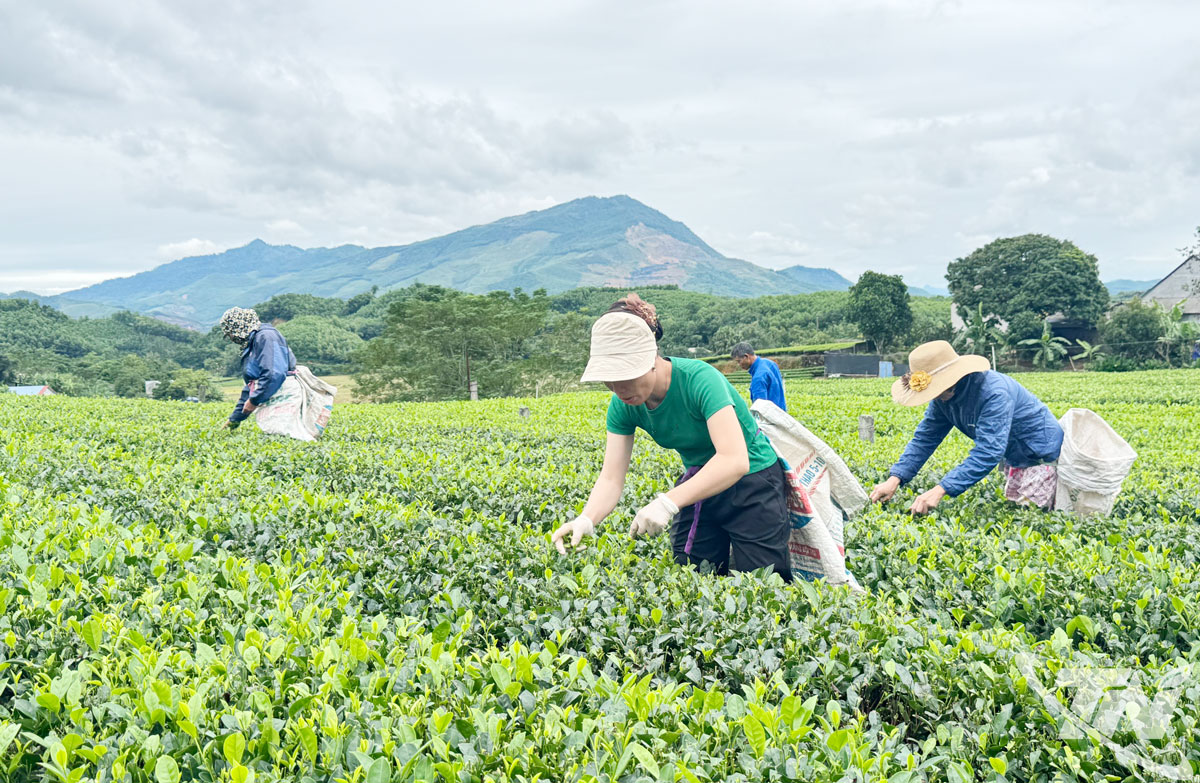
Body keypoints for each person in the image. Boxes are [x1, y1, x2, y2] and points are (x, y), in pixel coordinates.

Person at [551, 294, 792, 581]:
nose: (618, 389)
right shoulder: (623, 404)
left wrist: (667, 502)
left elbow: (734, 460)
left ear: (651, 359)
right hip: (701, 484)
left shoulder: (700, 379)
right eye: (609, 380)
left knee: (763, 583)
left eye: (625, 376)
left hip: (754, 483)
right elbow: (611, 478)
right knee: (692, 575)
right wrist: (587, 518)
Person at [869, 340, 1063, 513]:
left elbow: (988, 451)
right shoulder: (942, 399)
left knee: (1030, 517)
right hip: (1014, 456)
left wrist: (940, 490)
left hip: (1039, 456)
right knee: (1015, 510)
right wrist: (895, 478)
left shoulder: (994, 393)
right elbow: (925, 439)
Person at [218, 307, 297, 430]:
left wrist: (254, 401)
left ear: (239, 326)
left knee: (283, 434)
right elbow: (252, 385)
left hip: (282, 393)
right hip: (271, 391)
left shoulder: (265, 337)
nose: (232, 338)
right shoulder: (253, 341)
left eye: (231, 333)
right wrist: (234, 419)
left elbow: (273, 374)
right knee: (274, 434)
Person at [731, 341, 787, 412]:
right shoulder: (770, 363)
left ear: (746, 357)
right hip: (782, 413)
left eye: (739, 361)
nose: (739, 364)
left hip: (770, 420)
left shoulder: (758, 378)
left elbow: (760, 410)